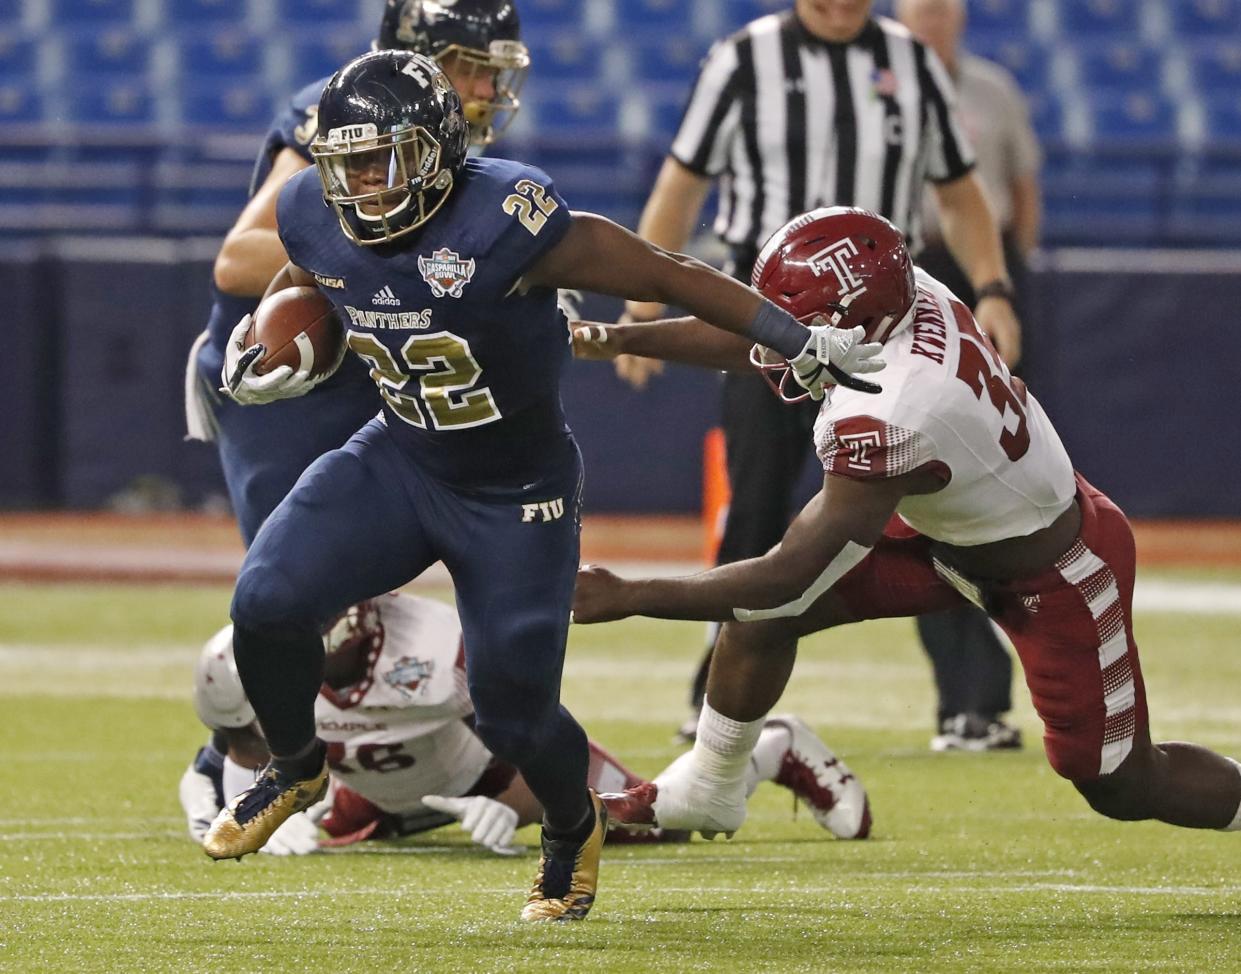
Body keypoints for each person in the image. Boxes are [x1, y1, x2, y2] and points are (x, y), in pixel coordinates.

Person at [200, 50, 882, 923]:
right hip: (402, 455)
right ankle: (296, 767)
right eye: (345, 165)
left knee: (514, 713)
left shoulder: (506, 218)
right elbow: (312, 276)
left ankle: (569, 829)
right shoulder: (308, 206)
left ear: (437, 148)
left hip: (514, 491)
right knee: (264, 599)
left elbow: (667, 272)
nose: (361, 185)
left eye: (380, 160)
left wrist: (798, 339)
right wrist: (279, 341)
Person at [570, 206, 1241, 842]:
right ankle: (710, 784)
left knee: (1118, 783)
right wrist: (610, 338)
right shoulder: (901, 292)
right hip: (948, 529)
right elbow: (762, 334)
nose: (777, 328)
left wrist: (629, 595)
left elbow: (786, 575)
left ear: (852, 321)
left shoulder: (893, 409)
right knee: (767, 617)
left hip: (1051, 569)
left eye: (794, 318)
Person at [609, 0, 1025, 747]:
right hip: (763, 318)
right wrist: (643, 309)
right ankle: (720, 698)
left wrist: (992, 288)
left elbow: (958, 192)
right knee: (757, 510)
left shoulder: (912, 61)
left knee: (928, 500)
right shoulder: (743, 58)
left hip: (885, 322)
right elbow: (682, 183)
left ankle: (972, 703)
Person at [185, 0, 531, 546]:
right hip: (287, 371)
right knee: (303, 595)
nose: (488, 90)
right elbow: (239, 258)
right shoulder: (350, 114)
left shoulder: (441, 128)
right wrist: (380, 263)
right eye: (473, 67)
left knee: (357, 588)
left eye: (494, 72)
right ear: (419, 55)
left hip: (367, 370)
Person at [179, 592, 871, 856]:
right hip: (378, 793)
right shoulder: (252, 665)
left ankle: (769, 749)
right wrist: (225, 814)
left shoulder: (432, 646)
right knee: (315, 843)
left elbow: (525, 725)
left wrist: (508, 802)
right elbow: (216, 764)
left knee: (652, 823)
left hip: (486, 766)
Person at [896, 0, 1044, 751]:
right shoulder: (874, 79)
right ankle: (971, 697)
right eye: (919, 7)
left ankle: (982, 698)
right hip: (898, 274)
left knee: (983, 481)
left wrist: (1004, 278)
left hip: (979, 275)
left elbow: (1016, 189)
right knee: (915, 491)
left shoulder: (991, 89)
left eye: (940, 7)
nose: (931, 18)